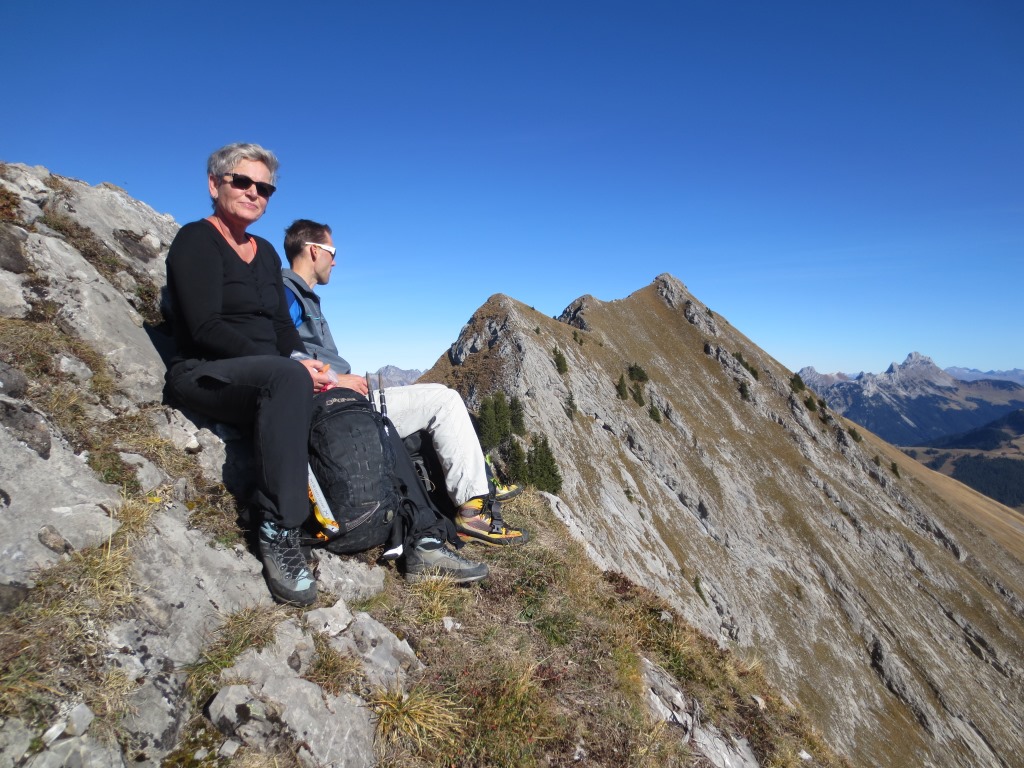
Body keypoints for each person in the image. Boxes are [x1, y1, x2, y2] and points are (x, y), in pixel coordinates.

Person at [164, 143, 488, 606]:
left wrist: (305, 360)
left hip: (272, 373)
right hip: (207, 372)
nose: (255, 192)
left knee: (361, 405)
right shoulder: (196, 240)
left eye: (265, 187)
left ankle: (425, 538)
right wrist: (294, 366)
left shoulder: (263, 252)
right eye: (243, 182)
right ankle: (279, 528)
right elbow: (204, 327)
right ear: (214, 184)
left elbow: (280, 328)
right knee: (291, 379)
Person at [280, 219, 527, 546]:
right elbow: (277, 352)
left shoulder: (303, 296)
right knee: (444, 401)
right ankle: (473, 514)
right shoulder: (288, 293)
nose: (335, 260)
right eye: (332, 251)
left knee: (441, 401)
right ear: (314, 250)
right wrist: (337, 379)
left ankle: (481, 487)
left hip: (342, 399)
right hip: (335, 405)